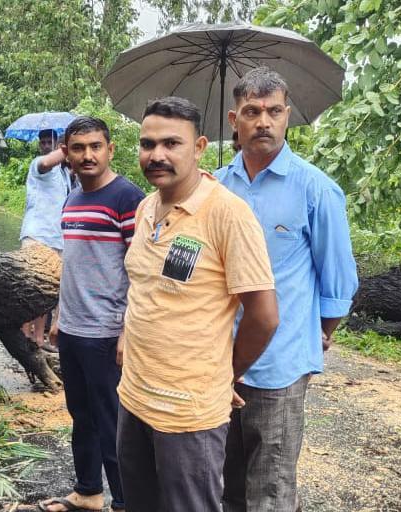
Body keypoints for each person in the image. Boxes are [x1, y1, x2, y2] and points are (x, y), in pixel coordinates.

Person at [116, 96, 280, 512]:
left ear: (200, 147)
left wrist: (225, 374)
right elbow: (145, 287)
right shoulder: (146, 207)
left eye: (172, 143)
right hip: (134, 399)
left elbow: (264, 316)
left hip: (188, 415)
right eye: (147, 143)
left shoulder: (228, 214)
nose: (157, 155)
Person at [215, 67, 359, 512]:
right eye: (252, 111)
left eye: (274, 111)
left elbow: (338, 281)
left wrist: (321, 331)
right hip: (218, 359)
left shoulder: (315, 189)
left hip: (280, 364)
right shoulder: (216, 188)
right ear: (233, 119)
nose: (264, 121)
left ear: (288, 115)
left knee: (272, 489)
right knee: (224, 482)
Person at [37, 117, 145, 512]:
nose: (87, 155)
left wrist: (127, 331)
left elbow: (141, 270)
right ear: (66, 153)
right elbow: (74, 263)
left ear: (110, 149)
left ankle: (124, 500)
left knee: (111, 421)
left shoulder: (127, 198)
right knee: (81, 416)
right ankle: (87, 491)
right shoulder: (72, 200)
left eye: (95, 146)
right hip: (73, 329)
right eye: (78, 148)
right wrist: (60, 316)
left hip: (108, 331)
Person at [20, 129, 73, 349]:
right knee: (31, 289)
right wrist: (70, 148)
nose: (45, 145)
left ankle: (38, 338)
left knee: (47, 291)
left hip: (56, 238)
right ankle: (23, 339)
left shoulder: (64, 174)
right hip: (38, 235)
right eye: (42, 142)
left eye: (49, 141)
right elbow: (47, 162)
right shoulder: (39, 165)